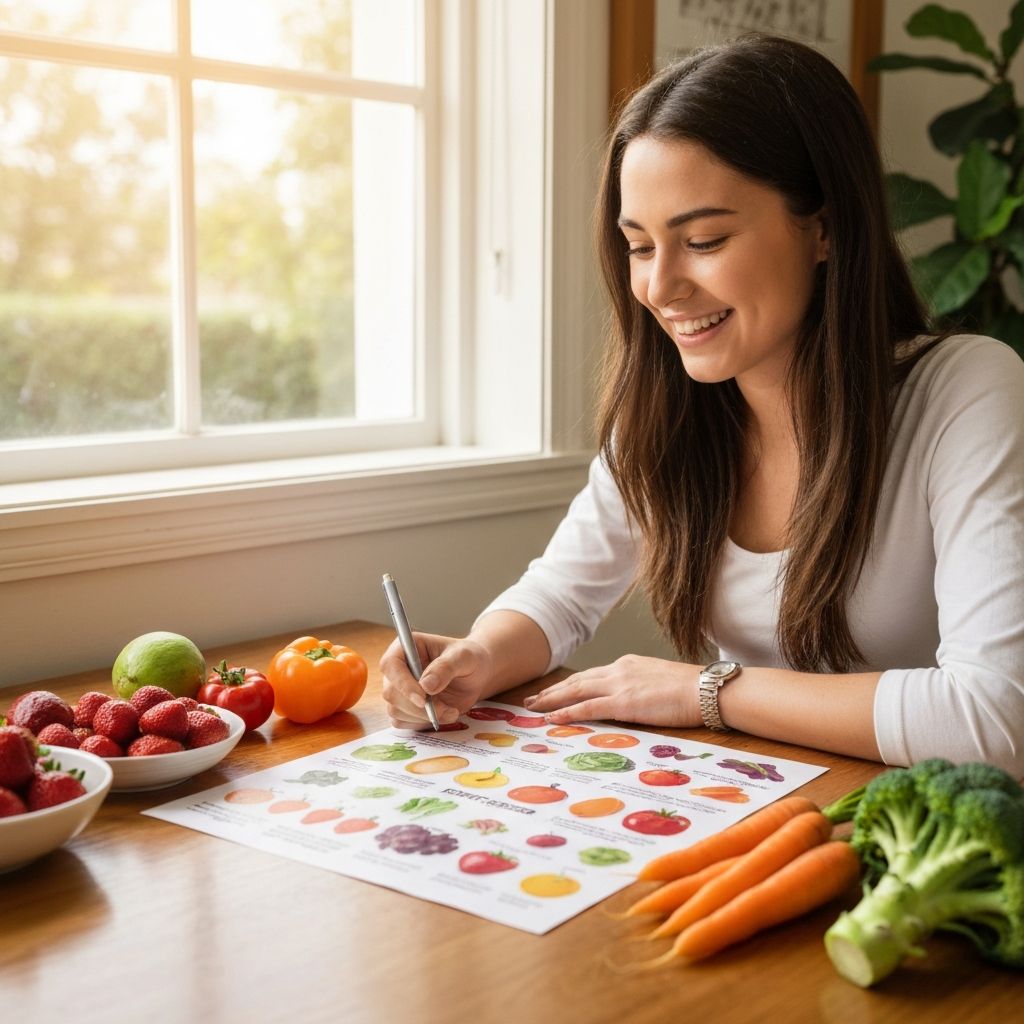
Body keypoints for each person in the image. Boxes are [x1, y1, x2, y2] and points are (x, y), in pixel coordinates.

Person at [380, 34, 1024, 775]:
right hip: (760, 801)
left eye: (705, 240)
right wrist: (477, 656)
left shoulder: (967, 391)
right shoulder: (668, 409)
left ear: (824, 228)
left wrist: (707, 691)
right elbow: (561, 593)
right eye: (640, 246)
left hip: (921, 828)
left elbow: (995, 719)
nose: (658, 288)